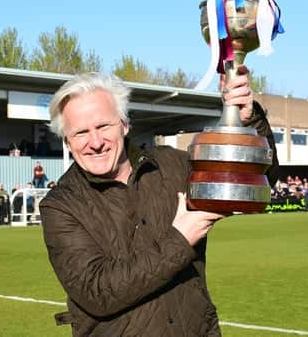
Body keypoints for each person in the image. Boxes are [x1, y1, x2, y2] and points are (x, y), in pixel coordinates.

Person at [40, 70, 279, 335]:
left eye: (103, 126)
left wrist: (245, 123)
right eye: (81, 132)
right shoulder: (60, 205)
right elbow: (99, 291)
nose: (95, 142)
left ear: (124, 124)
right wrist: (181, 238)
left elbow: (253, 179)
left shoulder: (173, 166)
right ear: (67, 142)